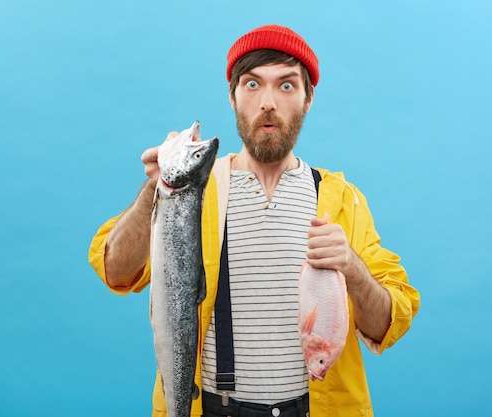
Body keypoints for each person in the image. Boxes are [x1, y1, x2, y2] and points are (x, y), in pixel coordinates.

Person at [88, 24, 420, 417]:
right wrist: (155, 192)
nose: (268, 102)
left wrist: (351, 267)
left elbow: (387, 324)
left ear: (308, 99)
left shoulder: (341, 199)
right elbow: (115, 270)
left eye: (286, 85)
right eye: (251, 84)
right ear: (232, 96)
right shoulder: (194, 190)